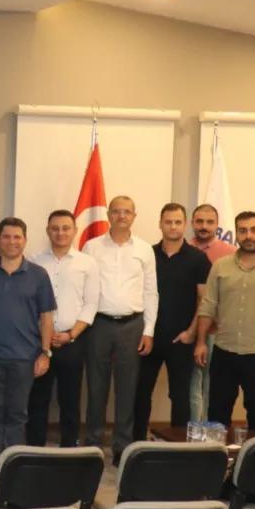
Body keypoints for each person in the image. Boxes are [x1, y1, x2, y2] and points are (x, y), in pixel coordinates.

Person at [0, 218, 56, 481]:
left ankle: (11, 462)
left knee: (18, 411)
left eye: (17, 237)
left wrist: (45, 352)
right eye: (7, 237)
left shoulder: (38, 275)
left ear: (25, 240)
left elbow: (46, 317)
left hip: (25, 356)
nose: (12, 241)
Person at [84, 195, 158, 464]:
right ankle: (93, 445)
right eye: (116, 211)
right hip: (99, 324)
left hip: (132, 326)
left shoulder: (144, 249)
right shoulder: (92, 247)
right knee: (96, 387)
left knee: (127, 390)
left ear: (134, 216)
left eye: (127, 211)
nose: (121, 216)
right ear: (108, 215)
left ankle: (121, 446)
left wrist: (148, 330)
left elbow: (151, 292)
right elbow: (85, 288)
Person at [199, 211, 255, 436]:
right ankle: (217, 456)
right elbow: (208, 305)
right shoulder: (220, 266)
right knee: (217, 413)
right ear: (236, 234)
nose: (248, 236)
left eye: (254, 230)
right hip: (224, 350)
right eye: (243, 231)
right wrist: (200, 342)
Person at [134, 204, 210, 442]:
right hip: (149, 337)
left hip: (181, 339)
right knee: (141, 392)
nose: (173, 227)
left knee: (180, 396)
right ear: (160, 224)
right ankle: (137, 442)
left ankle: (179, 446)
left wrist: (191, 332)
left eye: (178, 222)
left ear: (185, 225)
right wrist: (143, 332)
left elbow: (204, 299)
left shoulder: (198, 258)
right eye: (168, 222)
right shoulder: (147, 254)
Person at [27, 211, 98, 448]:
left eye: (66, 228)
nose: (60, 233)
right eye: (55, 228)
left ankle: (69, 448)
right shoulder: (33, 261)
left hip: (72, 341)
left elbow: (91, 303)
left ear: (75, 231)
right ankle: (34, 448)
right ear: (48, 231)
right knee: (37, 399)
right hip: (39, 342)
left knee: (70, 400)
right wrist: (44, 336)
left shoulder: (87, 263)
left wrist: (71, 334)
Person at [187, 203, 238, 421]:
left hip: (218, 331)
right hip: (189, 328)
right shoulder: (183, 249)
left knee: (213, 384)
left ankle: (210, 432)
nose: (204, 226)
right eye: (199, 221)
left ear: (217, 224)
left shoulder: (231, 253)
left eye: (209, 222)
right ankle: (192, 430)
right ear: (192, 223)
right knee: (191, 384)